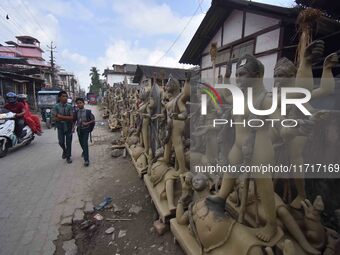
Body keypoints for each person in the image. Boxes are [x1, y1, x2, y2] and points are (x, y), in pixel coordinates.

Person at [53, 91, 74, 164]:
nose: (65, 98)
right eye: (63, 96)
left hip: (69, 126)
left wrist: (60, 116)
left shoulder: (70, 106)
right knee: (61, 141)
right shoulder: (56, 106)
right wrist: (65, 118)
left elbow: (71, 118)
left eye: (66, 96)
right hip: (60, 126)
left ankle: (68, 157)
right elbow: (55, 118)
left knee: (69, 142)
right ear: (59, 97)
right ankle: (64, 150)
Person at [74, 98, 95, 167]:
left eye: (80, 103)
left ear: (83, 103)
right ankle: (84, 151)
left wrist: (87, 123)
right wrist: (73, 127)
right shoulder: (76, 112)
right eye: (78, 103)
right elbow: (74, 120)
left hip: (86, 130)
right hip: (79, 130)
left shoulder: (88, 112)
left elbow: (93, 120)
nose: (79, 104)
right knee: (81, 142)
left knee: (85, 143)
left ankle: (86, 160)